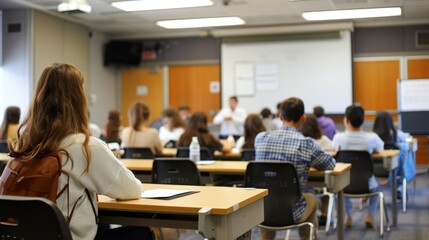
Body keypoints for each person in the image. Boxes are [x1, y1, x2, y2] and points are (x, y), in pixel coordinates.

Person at [7, 63, 148, 239]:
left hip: (24, 236)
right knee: (142, 233)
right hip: (68, 236)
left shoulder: (24, 144)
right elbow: (131, 190)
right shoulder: (85, 147)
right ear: (78, 99)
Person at [255, 97, 336, 240]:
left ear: (280, 116)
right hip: (292, 210)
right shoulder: (306, 144)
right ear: (303, 118)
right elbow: (330, 164)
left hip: (262, 209)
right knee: (310, 198)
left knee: (269, 199)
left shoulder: (260, 138)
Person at [332, 105, 384, 229]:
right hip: (366, 183)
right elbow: (381, 150)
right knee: (377, 190)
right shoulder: (372, 138)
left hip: (344, 184)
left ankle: (347, 216)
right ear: (363, 120)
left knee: (339, 186)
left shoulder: (338, 138)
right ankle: (370, 216)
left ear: (346, 120)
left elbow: (334, 151)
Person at [373, 111, 414, 194]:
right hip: (392, 169)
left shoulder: (373, 137)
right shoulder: (395, 134)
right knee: (403, 152)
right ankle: (399, 187)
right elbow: (408, 136)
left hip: (374, 170)